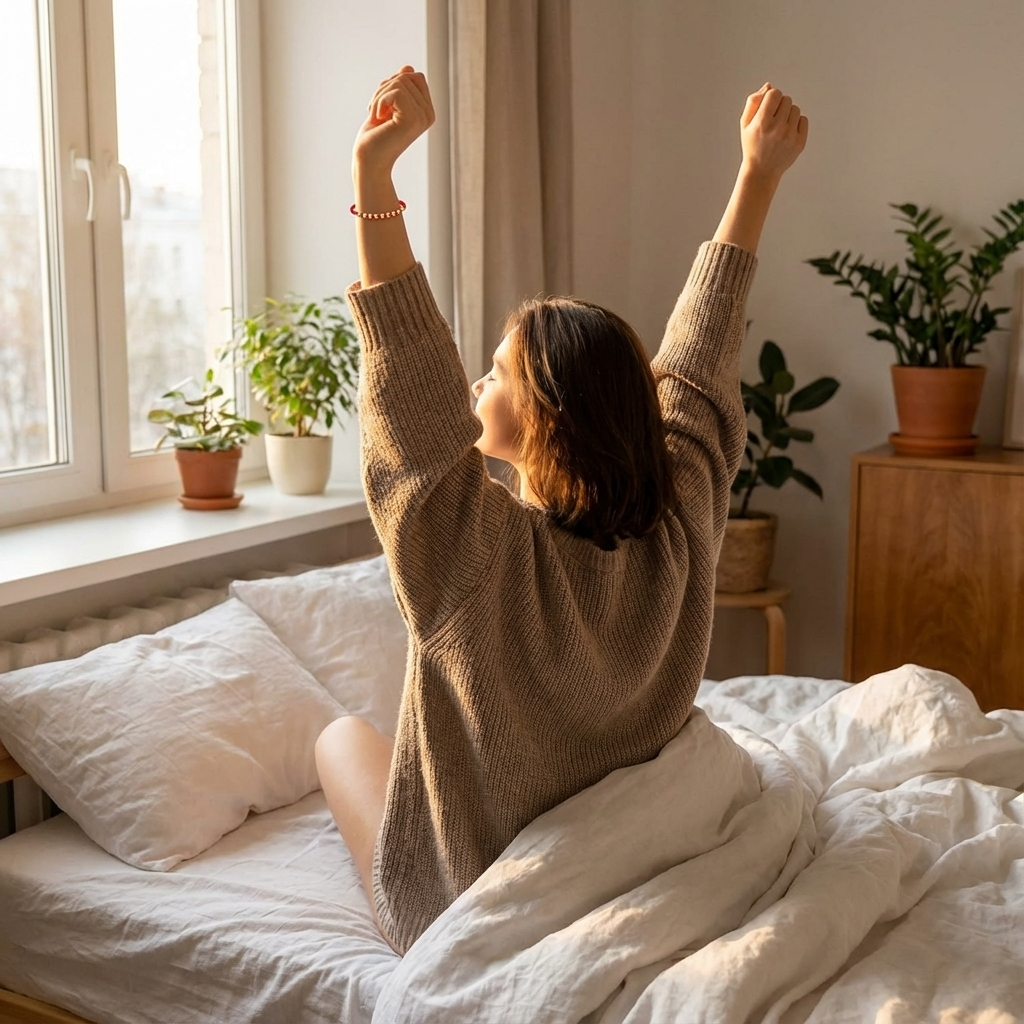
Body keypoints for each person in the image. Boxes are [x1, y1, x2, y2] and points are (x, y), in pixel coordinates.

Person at [315, 66, 808, 956]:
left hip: (481, 897)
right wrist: (757, 177)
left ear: (543, 413)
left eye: (498, 371)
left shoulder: (474, 557)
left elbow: (415, 409)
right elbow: (698, 360)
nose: (474, 380)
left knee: (338, 738)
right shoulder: (678, 520)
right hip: (631, 850)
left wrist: (373, 180)